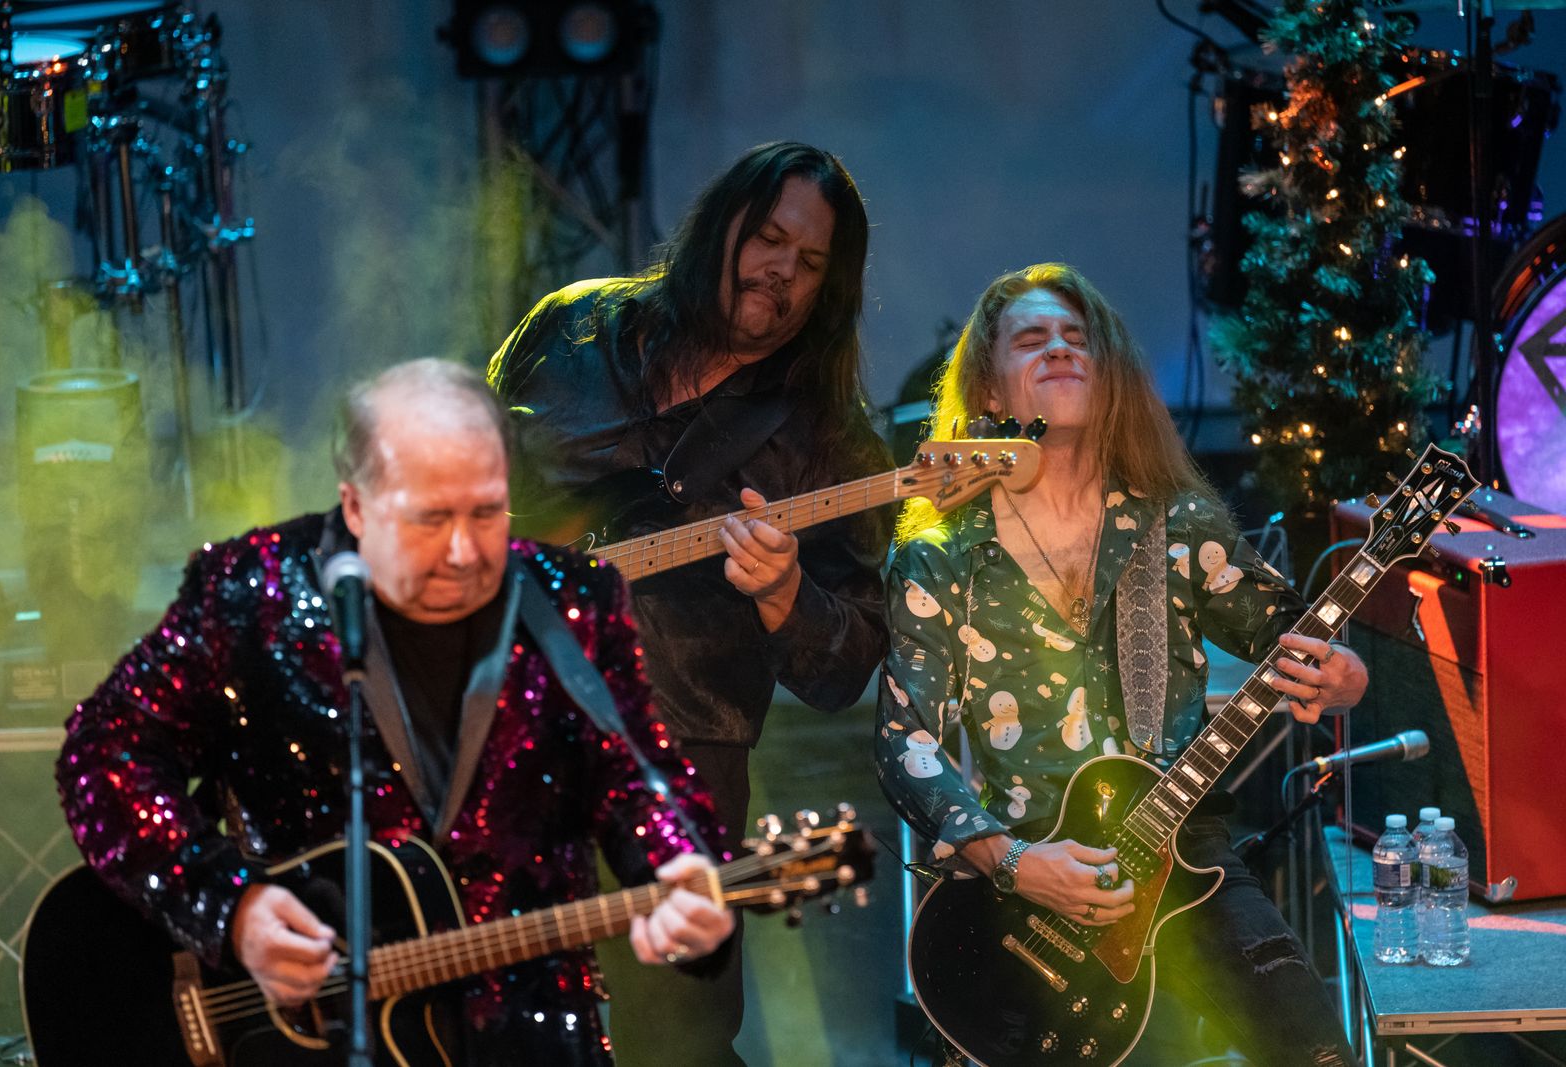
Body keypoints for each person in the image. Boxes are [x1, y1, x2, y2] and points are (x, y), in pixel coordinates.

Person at [55, 359, 734, 1066]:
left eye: (487, 513)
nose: (464, 552)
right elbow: (102, 750)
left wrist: (682, 865)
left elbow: (638, 776)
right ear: (356, 506)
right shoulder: (252, 595)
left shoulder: (573, 600)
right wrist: (230, 909)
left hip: (528, 1038)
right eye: (429, 519)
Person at [875, 263, 1366, 1067]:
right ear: (990, 392)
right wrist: (1013, 862)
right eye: (1032, 339)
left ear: (1108, 377)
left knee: (1318, 1053)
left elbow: (1293, 635)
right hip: (1030, 880)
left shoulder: (1178, 520)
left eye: (1079, 338)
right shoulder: (942, 554)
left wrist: (1343, 672)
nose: (1060, 349)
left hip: (1188, 855)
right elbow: (906, 741)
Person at [488, 141, 891, 1065]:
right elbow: (464, 477)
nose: (782, 270)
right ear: (722, 225)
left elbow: (848, 662)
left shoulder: (829, 437)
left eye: (810, 262)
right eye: (769, 238)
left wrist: (786, 593)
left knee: (675, 1034)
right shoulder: (572, 328)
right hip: (504, 717)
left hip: (679, 757)